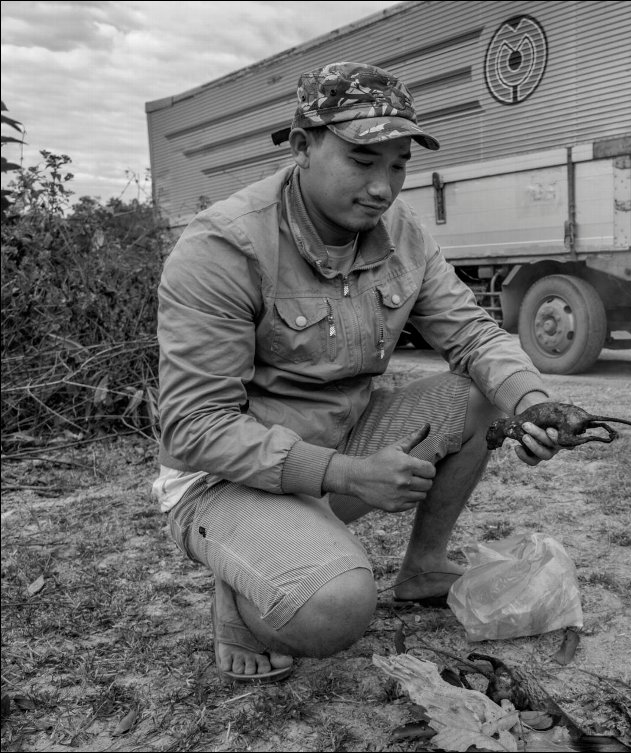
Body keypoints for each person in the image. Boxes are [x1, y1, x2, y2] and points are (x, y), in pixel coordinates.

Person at [153, 62, 563, 683]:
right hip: (228, 478)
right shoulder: (224, 247)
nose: (383, 186)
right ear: (301, 147)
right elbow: (192, 428)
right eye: (363, 159)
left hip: (337, 445)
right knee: (334, 608)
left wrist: (531, 402)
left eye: (398, 164)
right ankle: (242, 584)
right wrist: (348, 474)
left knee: (483, 395)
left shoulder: (403, 234)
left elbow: (474, 335)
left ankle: (422, 567)